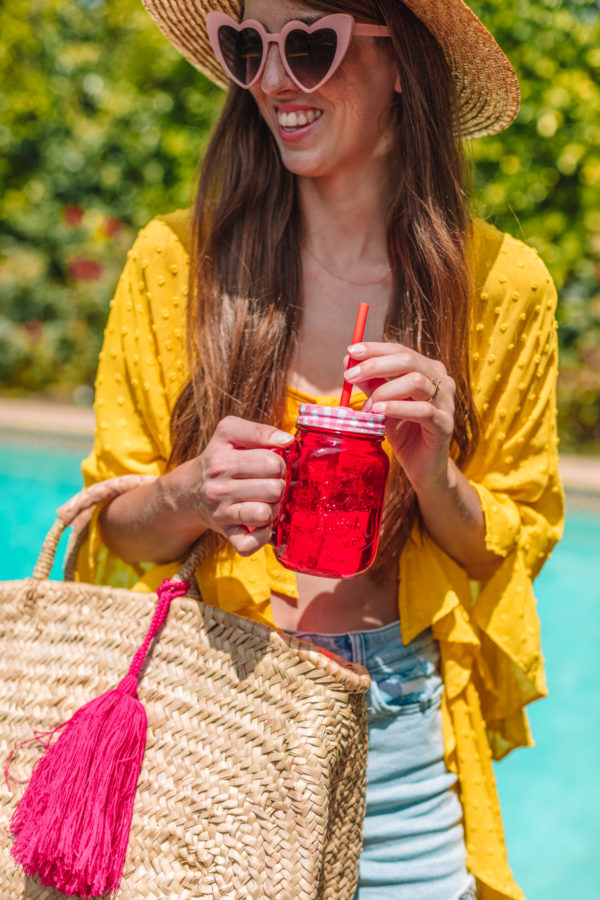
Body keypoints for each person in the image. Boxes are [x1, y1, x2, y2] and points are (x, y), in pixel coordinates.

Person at [76, 0, 564, 897]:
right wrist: (191, 493)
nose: (272, 80)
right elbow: (115, 530)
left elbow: (509, 542)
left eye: (308, 45)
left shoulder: (500, 287)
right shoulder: (179, 265)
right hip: (212, 720)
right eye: (248, 46)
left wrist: (432, 468)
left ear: (403, 62)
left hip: (401, 744)